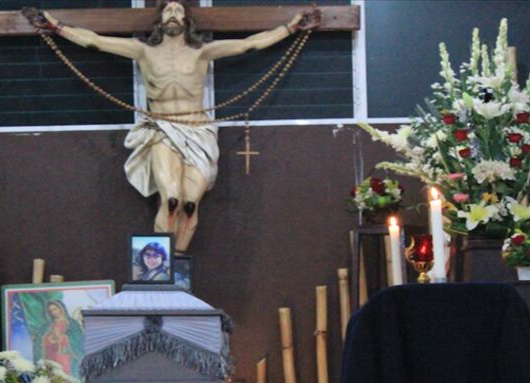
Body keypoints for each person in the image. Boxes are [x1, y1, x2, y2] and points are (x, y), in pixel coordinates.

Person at [22, 1, 321, 251]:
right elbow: (95, 41)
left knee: (190, 204)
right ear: (160, 20)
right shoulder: (143, 52)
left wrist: (291, 27)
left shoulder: (202, 52)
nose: (174, 14)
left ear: (187, 20)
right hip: (163, 129)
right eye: (168, 10)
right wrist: (56, 27)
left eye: (179, 10)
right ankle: (160, 267)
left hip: (199, 130)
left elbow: (248, 45)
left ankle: (176, 266)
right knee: (172, 199)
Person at [40, 299, 80, 374]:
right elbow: (44, 342)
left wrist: (63, 338)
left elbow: (78, 339)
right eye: (50, 311)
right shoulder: (47, 326)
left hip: (65, 357)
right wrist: (49, 339)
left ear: (61, 308)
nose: (53, 313)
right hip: (50, 357)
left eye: (55, 309)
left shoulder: (72, 324)